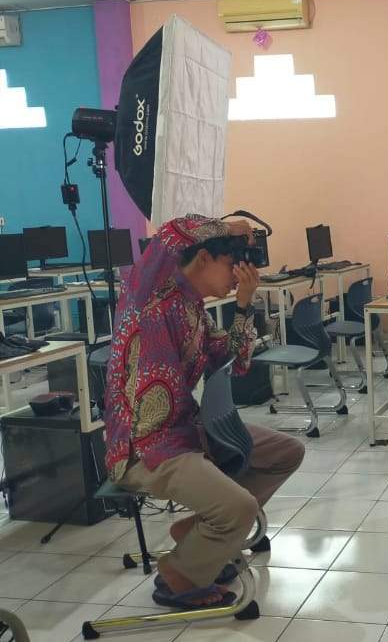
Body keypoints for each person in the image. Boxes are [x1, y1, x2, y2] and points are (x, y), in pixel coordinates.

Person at [103, 214, 305, 609]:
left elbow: (233, 361)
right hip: (144, 448)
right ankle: (180, 576)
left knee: (285, 453)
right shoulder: (149, 300)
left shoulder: (193, 308)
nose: (237, 275)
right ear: (202, 259)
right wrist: (226, 228)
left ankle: (201, 533)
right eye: (232, 265)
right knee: (240, 508)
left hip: (186, 430)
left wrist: (244, 305)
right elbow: (169, 235)